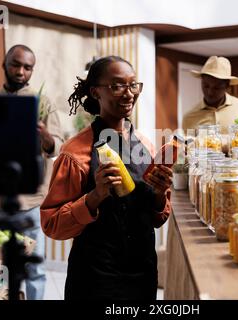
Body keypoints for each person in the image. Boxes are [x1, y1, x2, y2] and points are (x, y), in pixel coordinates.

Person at [40, 55, 173, 300]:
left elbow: (157, 218)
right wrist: (95, 196)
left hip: (142, 273)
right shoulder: (74, 153)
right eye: (117, 85)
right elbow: (52, 225)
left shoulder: (145, 145)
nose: (129, 93)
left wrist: (158, 196)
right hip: (96, 278)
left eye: (133, 84)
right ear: (95, 92)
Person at [0, 44, 64, 300]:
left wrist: (46, 136)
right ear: (4, 65)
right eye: (16, 64)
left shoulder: (42, 103)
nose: (21, 71)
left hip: (30, 200)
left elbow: (56, 146)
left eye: (28, 67)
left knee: (34, 267)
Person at [182, 56, 238, 134]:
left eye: (216, 88)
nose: (210, 92)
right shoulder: (189, 117)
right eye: (206, 86)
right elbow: (188, 145)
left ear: (227, 86)